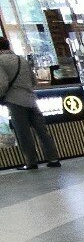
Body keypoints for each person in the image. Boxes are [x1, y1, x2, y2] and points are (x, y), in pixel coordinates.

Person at [0, 37, 61, 170]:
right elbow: (34, 80)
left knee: (23, 133)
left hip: (15, 100)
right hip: (31, 99)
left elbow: (2, 83)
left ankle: (31, 162)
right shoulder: (21, 59)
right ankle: (53, 158)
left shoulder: (0, 61)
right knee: (42, 131)